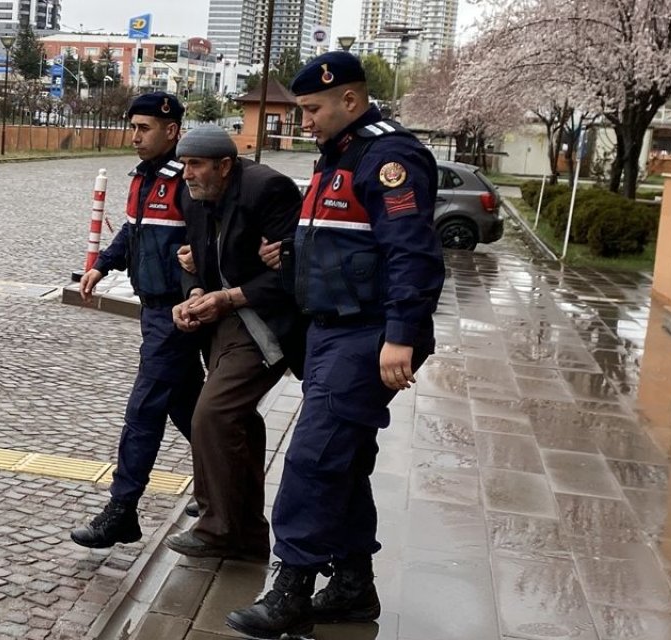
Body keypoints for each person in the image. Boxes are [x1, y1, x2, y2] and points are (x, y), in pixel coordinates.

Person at [226, 52, 445, 638]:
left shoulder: (387, 156)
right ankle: (352, 586)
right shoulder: (340, 156)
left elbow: (412, 254)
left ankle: (292, 587)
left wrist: (401, 335)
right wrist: (290, 254)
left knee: (314, 458)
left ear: (350, 101)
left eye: (312, 109)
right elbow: (351, 243)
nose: (304, 121)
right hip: (332, 331)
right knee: (343, 462)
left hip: (367, 332)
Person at [162, 126, 305, 561]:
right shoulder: (191, 194)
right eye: (184, 164)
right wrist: (191, 296)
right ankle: (247, 533)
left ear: (225, 166)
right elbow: (191, 256)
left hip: (266, 322)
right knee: (238, 420)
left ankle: (217, 526)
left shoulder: (269, 190)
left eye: (196, 165)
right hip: (222, 321)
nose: (187, 174)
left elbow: (291, 271)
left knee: (213, 413)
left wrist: (227, 297)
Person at [70, 92, 204, 549]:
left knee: (145, 409)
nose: (135, 136)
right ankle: (220, 487)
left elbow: (211, 237)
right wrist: (102, 264)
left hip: (177, 313)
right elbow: (133, 229)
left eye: (144, 129)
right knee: (189, 406)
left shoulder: (186, 179)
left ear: (172, 131)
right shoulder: (143, 179)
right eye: (133, 127)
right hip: (153, 309)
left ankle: (122, 510)